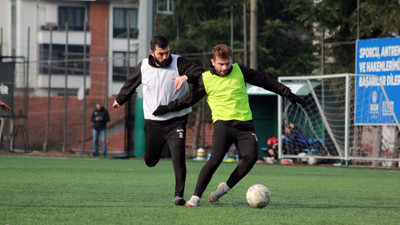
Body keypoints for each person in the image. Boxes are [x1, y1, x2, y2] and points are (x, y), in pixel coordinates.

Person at [153, 44, 306, 207]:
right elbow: (188, 100)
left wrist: (287, 93)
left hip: (245, 126)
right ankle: (196, 196)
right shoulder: (205, 79)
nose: (225, 67)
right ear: (213, 62)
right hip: (223, 126)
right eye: (221, 64)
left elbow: (265, 81)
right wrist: (166, 108)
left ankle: (223, 189)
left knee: (251, 157)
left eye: (227, 63)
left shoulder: (240, 71)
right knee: (215, 160)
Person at [112, 35, 204, 206]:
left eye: (167, 52)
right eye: (161, 54)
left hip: (177, 119)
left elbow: (199, 71)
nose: (165, 57)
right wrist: (120, 99)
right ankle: (159, 147)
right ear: (152, 53)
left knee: (178, 155)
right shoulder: (144, 66)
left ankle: (178, 195)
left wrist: (186, 77)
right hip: (153, 122)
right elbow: (131, 83)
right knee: (150, 161)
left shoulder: (179, 62)